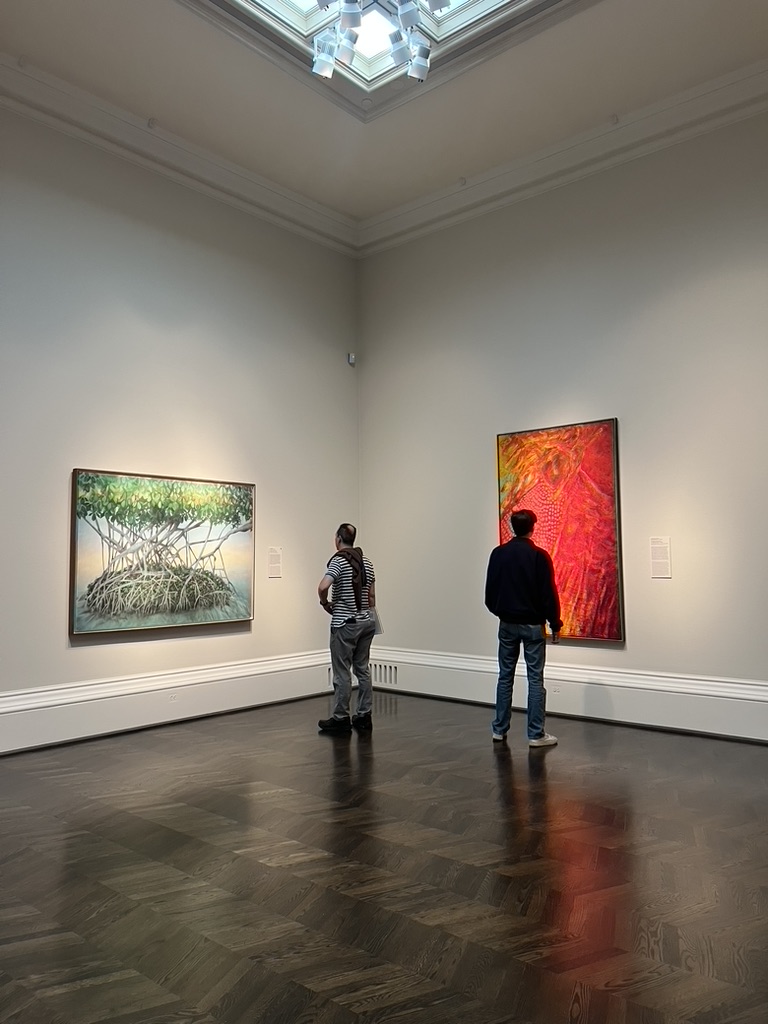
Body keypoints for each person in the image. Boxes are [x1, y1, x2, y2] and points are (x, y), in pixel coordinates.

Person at [484, 509, 563, 746]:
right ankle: (536, 734)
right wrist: (554, 623)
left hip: (507, 624)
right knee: (535, 679)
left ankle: (499, 729)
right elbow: (548, 593)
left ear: (511, 527)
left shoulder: (498, 554)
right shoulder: (539, 556)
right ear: (532, 527)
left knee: (505, 677)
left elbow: (490, 592)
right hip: (532, 626)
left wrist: (500, 611)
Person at [317, 523, 377, 734]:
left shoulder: (339, 562)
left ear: (338, 539)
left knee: (342, 672)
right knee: (363, 669)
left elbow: (323, 586)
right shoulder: (366, 563)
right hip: (366, 622)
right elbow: (371, 596)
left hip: (345, 623)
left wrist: (325, 603)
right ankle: (364, 715)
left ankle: (341, 718)